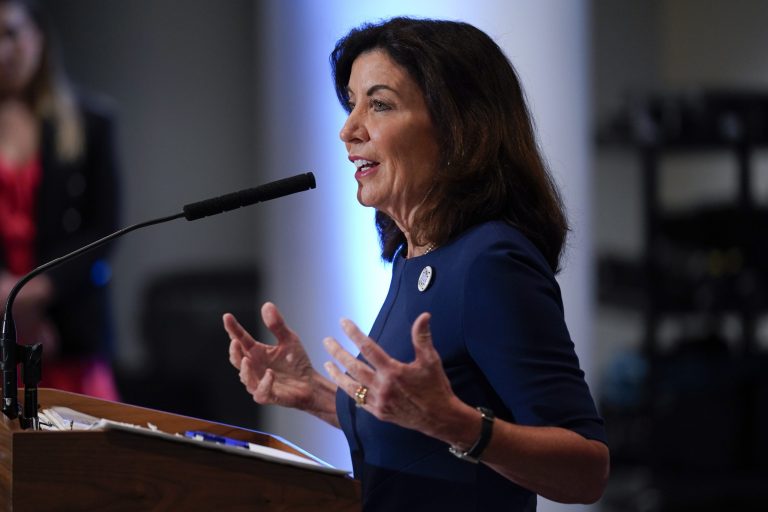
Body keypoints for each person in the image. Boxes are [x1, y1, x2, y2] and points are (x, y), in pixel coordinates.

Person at [224, 17, 608, 511]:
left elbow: (587, 471)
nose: (348, 130)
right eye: (352, 103)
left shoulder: (491, 263)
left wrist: (455, 424)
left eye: (379, 104)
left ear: (457, 127)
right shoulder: (416, 255)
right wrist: (315, 393)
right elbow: (417, 438)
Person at [0, 0, 120, 400]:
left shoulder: (90, 122)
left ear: (38, 38)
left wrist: (37, 292)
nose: (2, 51)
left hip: (67, 332)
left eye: (10, 34)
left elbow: (106, 229)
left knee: (80, 458)